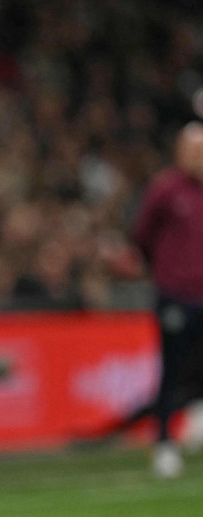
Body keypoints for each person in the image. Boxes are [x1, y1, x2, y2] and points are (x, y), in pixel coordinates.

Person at [134, 121, 203, 478]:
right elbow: (142, 235)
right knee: (171, 372)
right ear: (180, 152)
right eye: (193, 150)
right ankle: (163, 443)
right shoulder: (166, 190)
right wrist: (165, 271)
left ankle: (195, 425)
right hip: (175, 295)